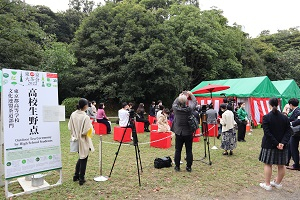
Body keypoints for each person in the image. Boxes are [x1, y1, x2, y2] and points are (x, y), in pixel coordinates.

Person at [259, 98, 291, 190]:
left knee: (268, 164)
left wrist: (277, 143)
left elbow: (267, 133)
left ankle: (268, 184)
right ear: (278, 104)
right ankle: (277, 183)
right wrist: (282, 143)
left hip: (269, 144)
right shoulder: (285, 117)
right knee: (281, 165)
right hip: (282, 145)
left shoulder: (266, 117)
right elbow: (288, 131)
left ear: (269, 105)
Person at [68, 98, 94, 185]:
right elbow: (87, 130)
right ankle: (81, 178)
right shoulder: (85, 117)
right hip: (83, 140)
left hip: (75, 138)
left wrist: (75, 133)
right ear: (85, 106)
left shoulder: (73, 114)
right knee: (84, 158)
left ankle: (76, 176)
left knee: (81, 157)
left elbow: (69, 126)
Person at [172, 91, 197, 172]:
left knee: (178, 150)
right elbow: (194, 102)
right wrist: (191, 95)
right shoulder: (189, 109)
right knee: (189, 150)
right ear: (186, 101)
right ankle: (188, 167)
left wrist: (179, 97)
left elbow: (174, 103)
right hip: (188, 132)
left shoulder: (176, 109)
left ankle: (177, 166)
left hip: (179, 132)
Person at [286, 98, 300, 170]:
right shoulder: (294, 111)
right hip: (295, 132)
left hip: (296, 132)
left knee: (293, 147)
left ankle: (296, 164)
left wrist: (291, 123)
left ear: (291, 105)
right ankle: (287, 161)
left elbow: (299, 120)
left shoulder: (298, 111)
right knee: (290, 146)